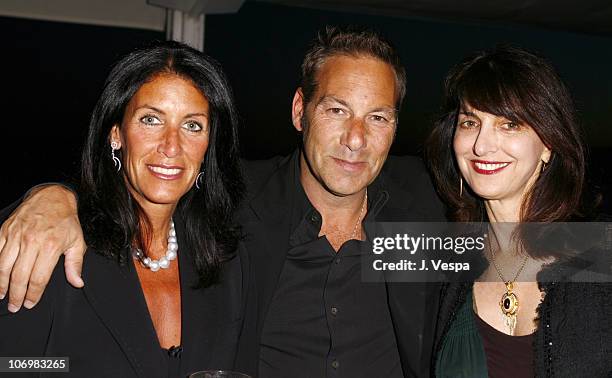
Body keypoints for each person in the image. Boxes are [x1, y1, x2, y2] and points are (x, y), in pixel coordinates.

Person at [0, 27, 444, 377]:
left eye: (378, 117)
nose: (355, 139)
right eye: (336, 110)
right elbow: (21, 363)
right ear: (299, 110)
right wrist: (53, 196)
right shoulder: (239, 212)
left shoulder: (422, 209)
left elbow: (508, 263)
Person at [0, 40, 248, 377]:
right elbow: (12, 364)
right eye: (150, 119)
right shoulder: (56, 244)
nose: (171, 146)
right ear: (116, 134)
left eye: (192, 126)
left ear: (208, 146)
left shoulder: (227, 265)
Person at [426, 45, 612, 377]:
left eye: (509, 124)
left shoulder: (601, 256)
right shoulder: (451, 264)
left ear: (548, 143)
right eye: (470, 122)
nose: (481, 146)